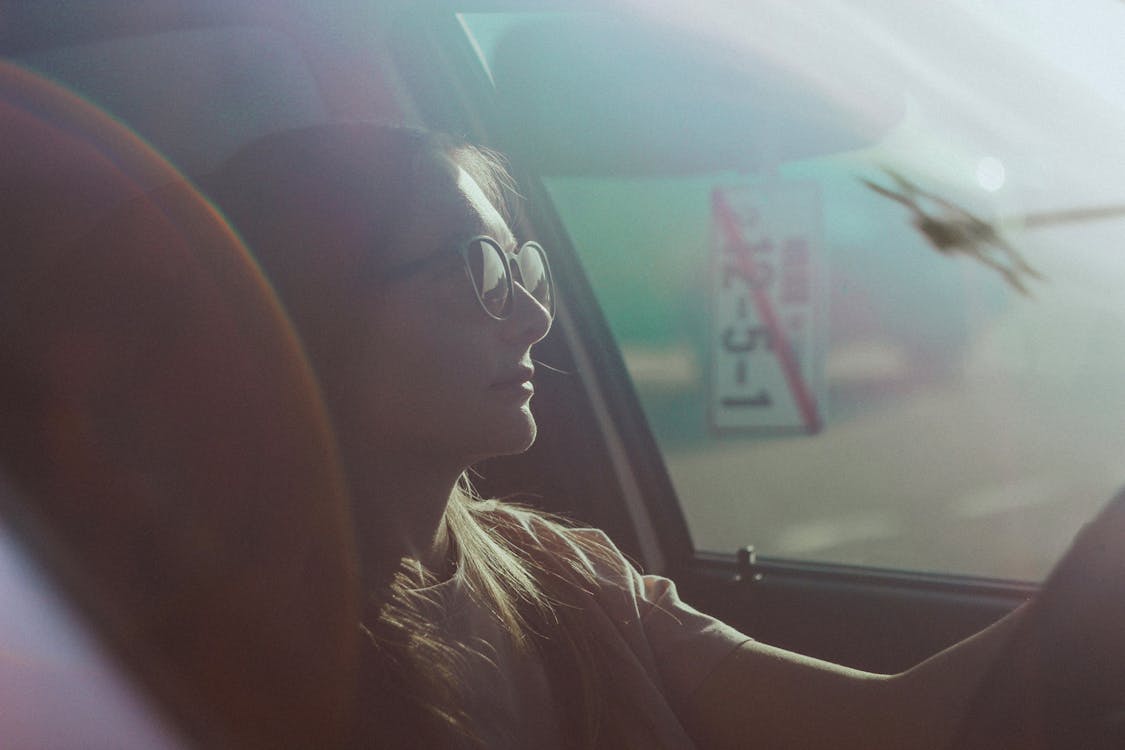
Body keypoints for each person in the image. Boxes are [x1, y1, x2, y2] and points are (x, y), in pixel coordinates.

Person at [201, 122, 1030, 750]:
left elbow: (888, 722)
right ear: (306, 314)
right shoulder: (219, 660)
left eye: (522, 268)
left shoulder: (570, 574)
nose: (531, 317)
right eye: (475, 271)